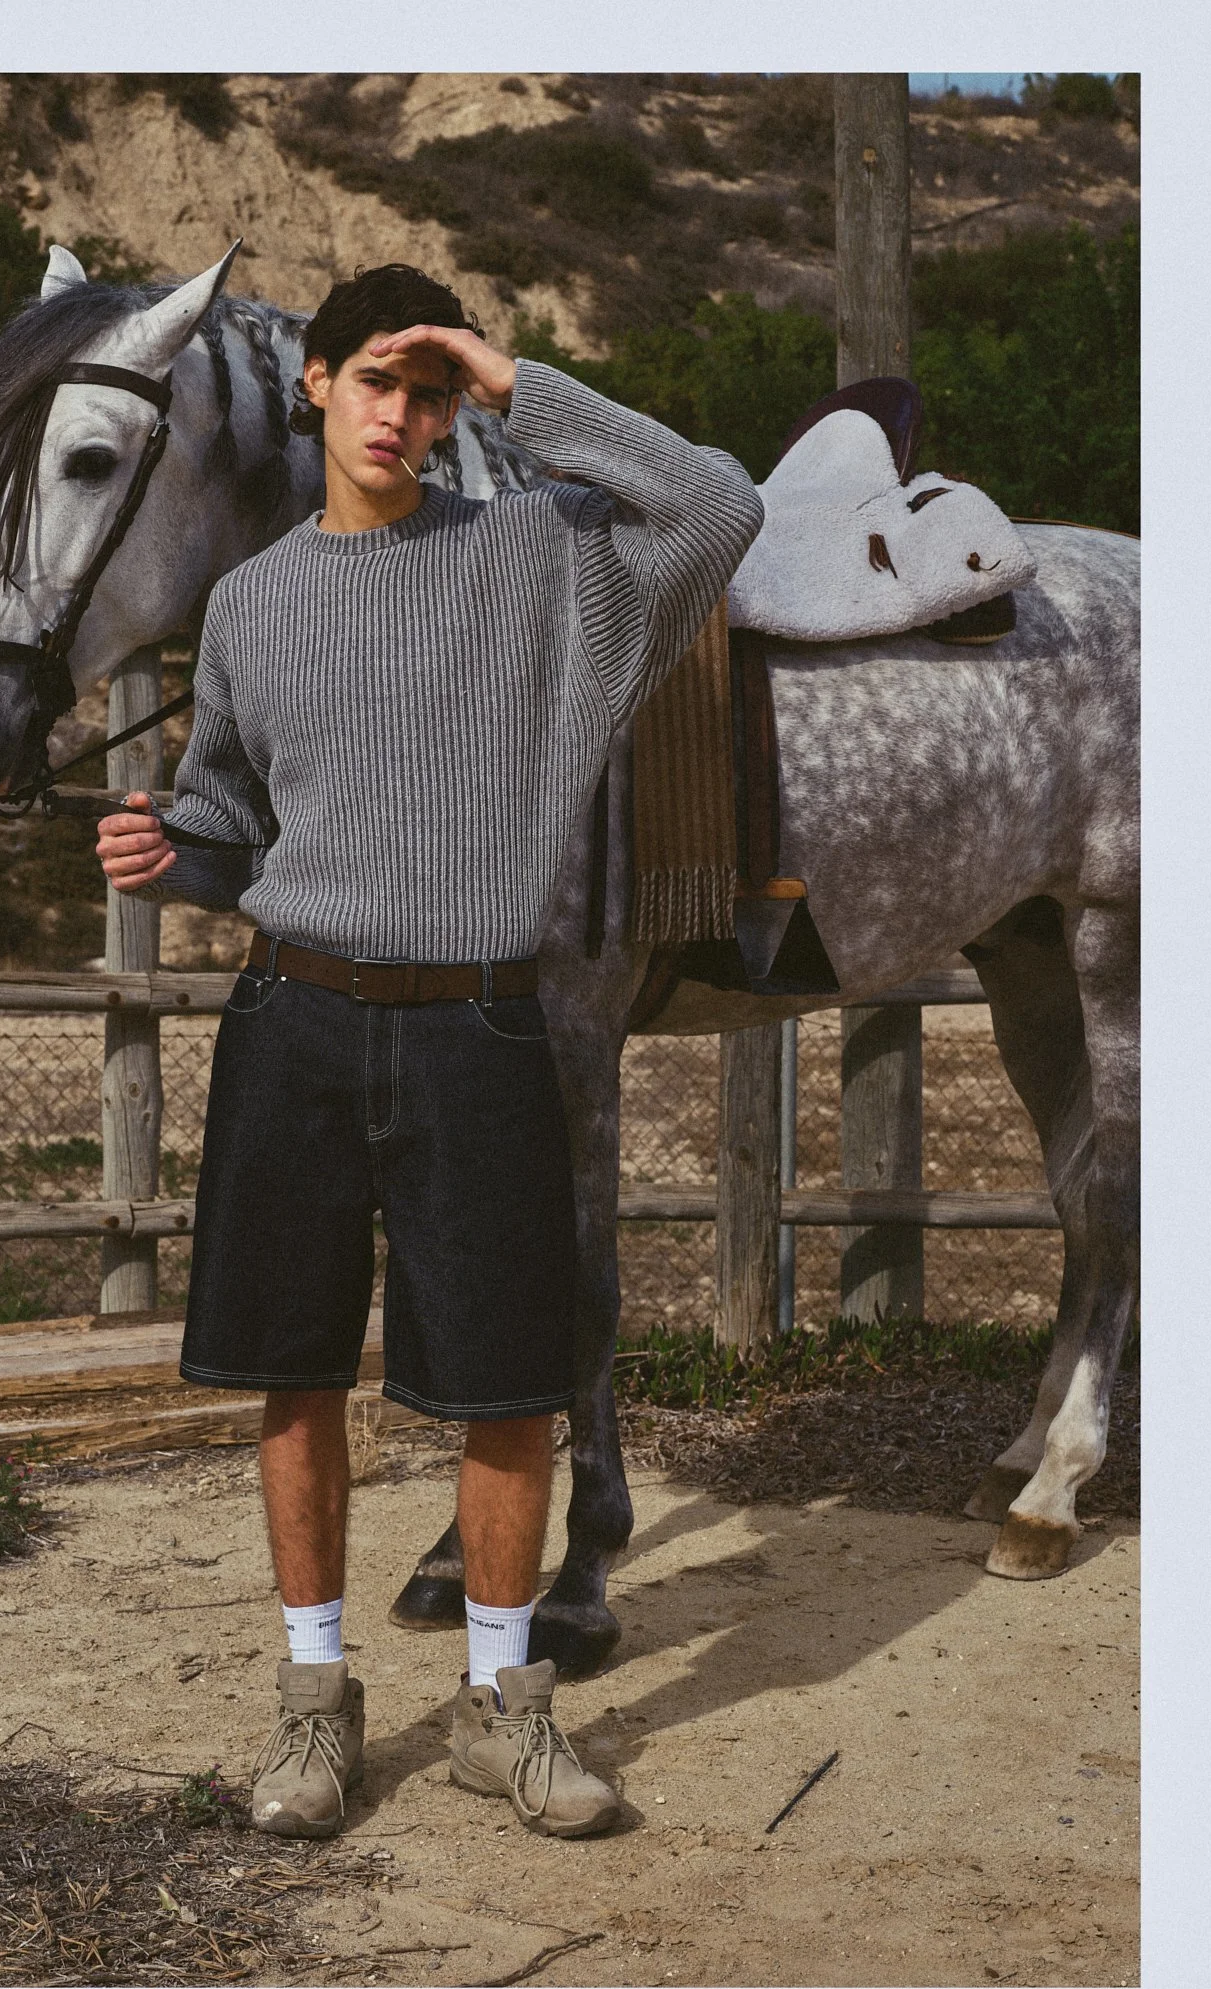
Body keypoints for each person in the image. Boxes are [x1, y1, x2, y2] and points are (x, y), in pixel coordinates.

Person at [97, 263, 762, 1840]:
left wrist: (513, 379)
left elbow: (717, 505)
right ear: (315, 386)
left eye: (428, 389)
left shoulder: (548, 560)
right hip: (294, 1019)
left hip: (481, 1018)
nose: (399, 413)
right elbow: (233, 818)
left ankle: (501, 1713)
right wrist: (171, 853)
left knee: (511, 1389)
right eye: (375, 380)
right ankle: (313, 1707)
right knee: (293, 1378)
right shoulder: (250, 603)